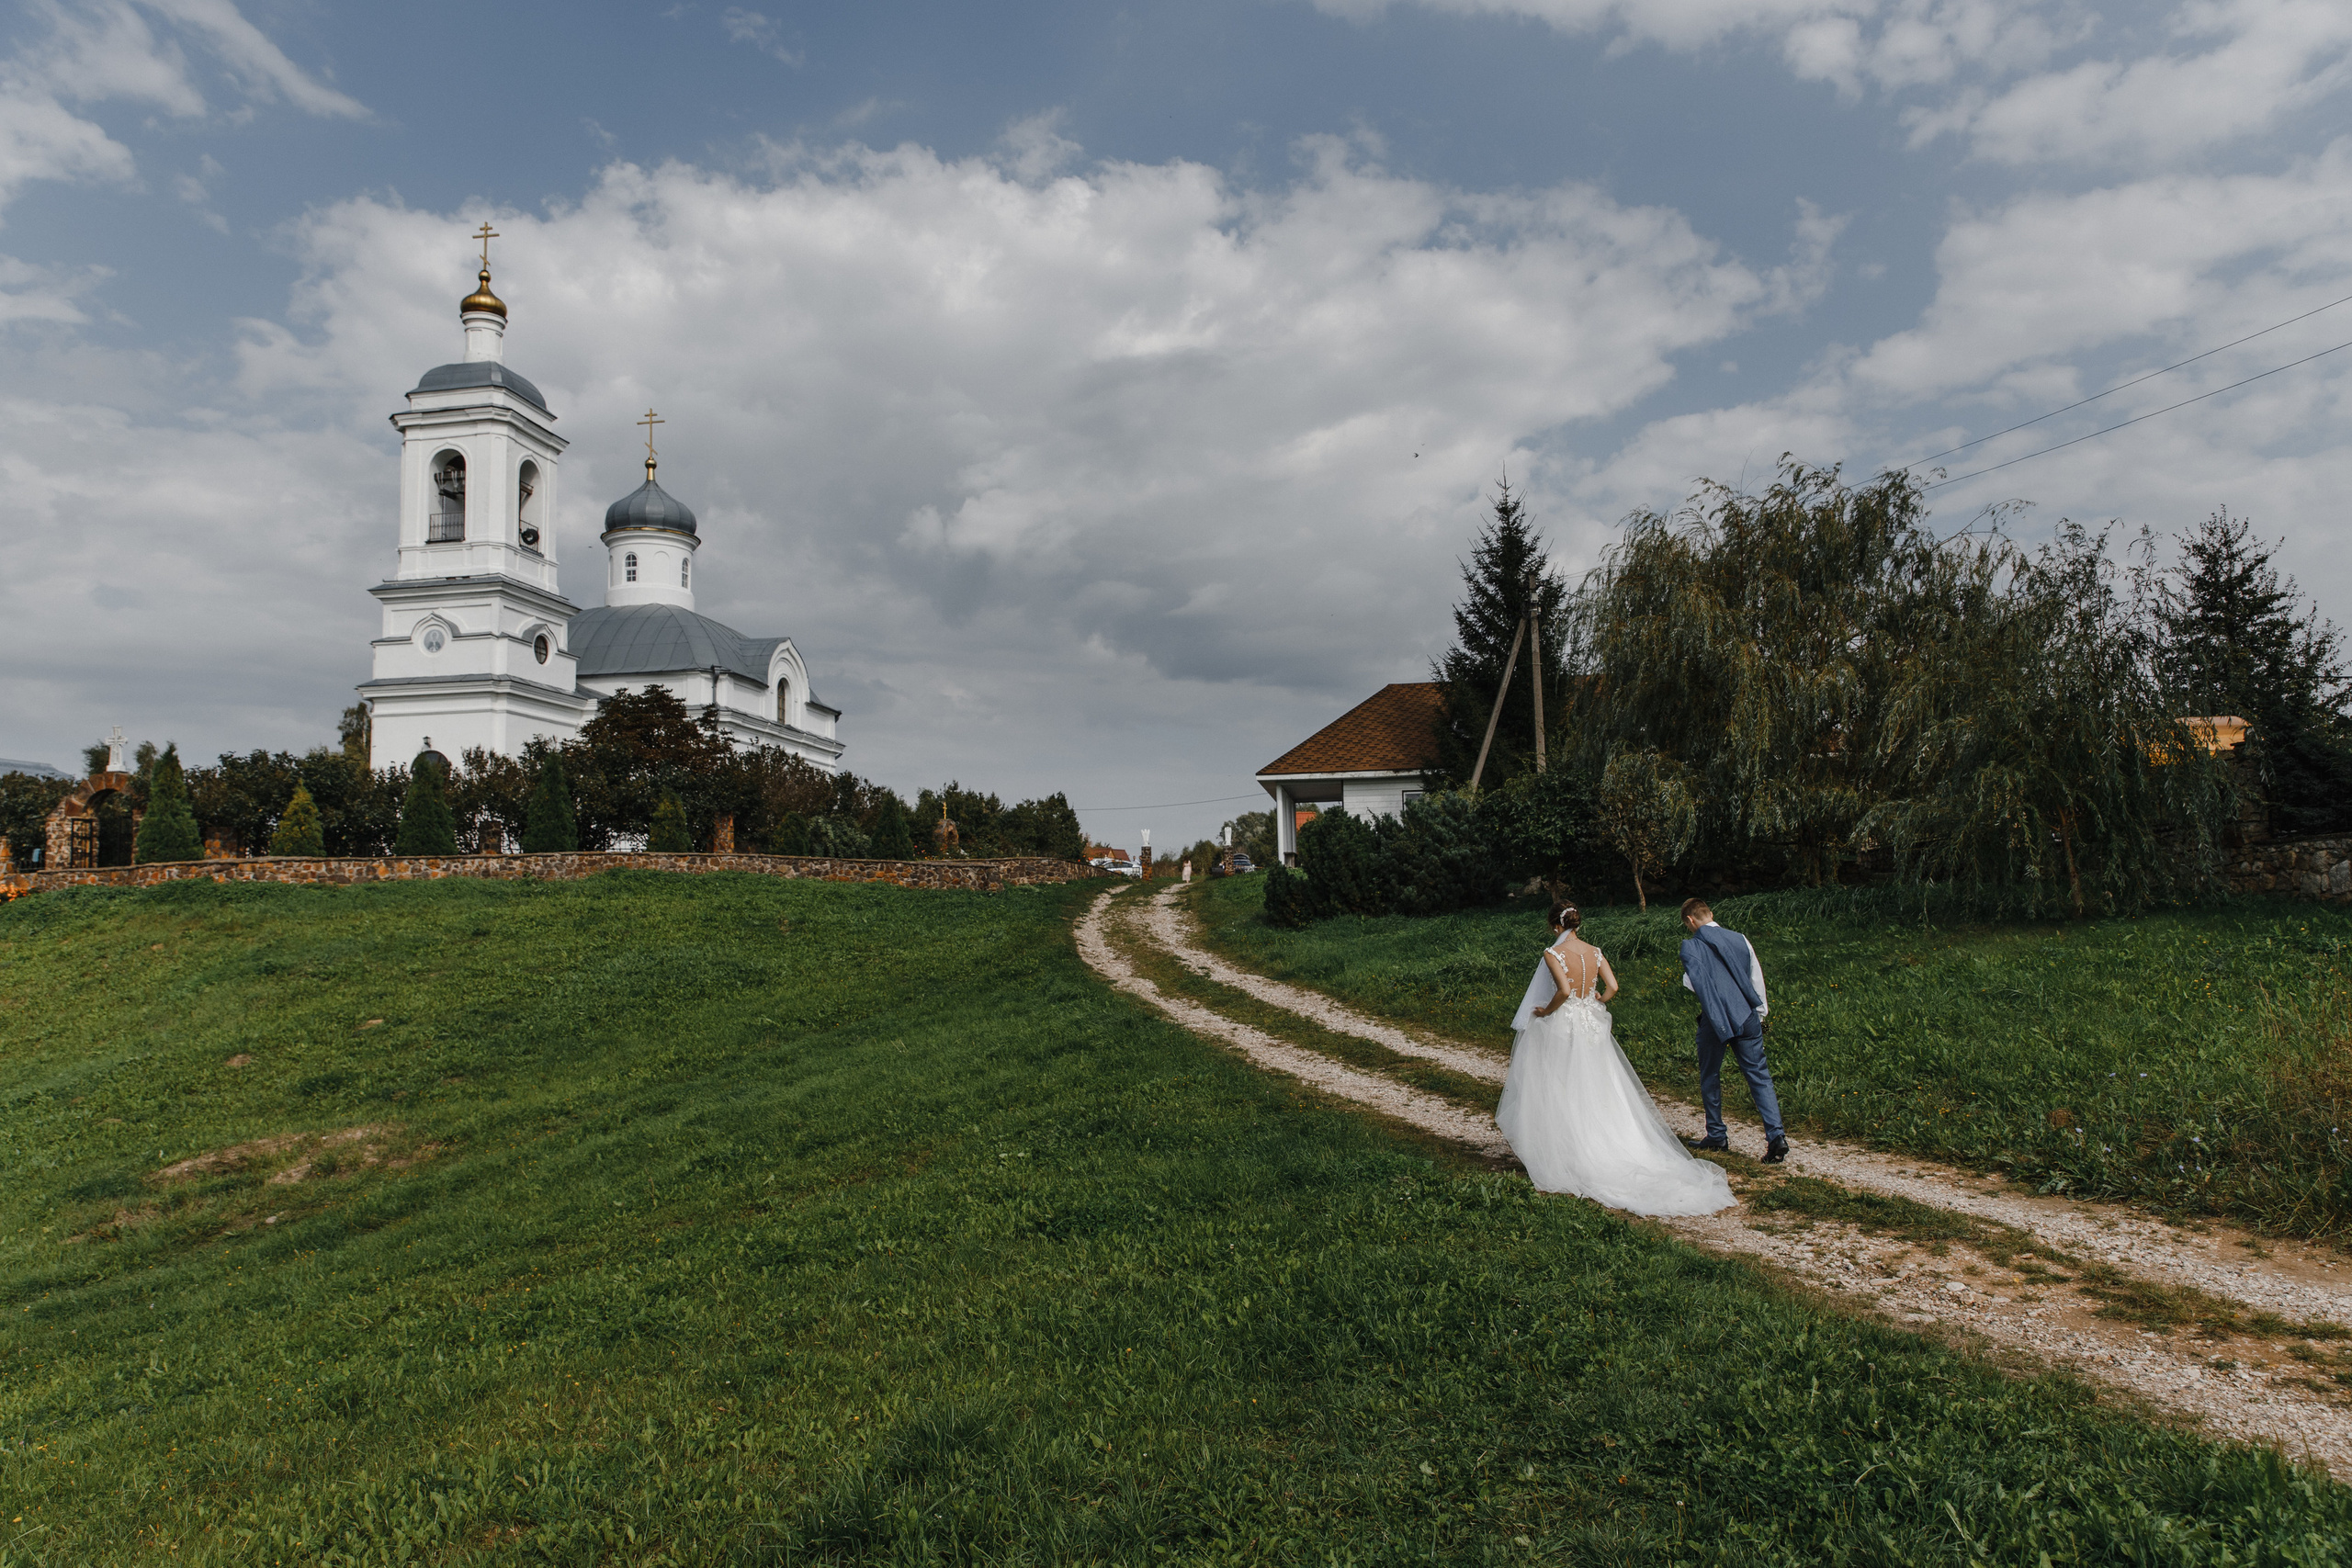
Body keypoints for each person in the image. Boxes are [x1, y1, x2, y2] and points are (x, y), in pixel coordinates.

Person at [1495, 900, 1736, 1215]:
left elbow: (1564, 991)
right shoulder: (1594, 951)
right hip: (1592, 1024)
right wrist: (1598, 999)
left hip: (1565, 1024)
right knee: (1598, 1082)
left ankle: (1569, 1148)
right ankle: (1607, 1139)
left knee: (1562, 1082)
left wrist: (1544, 1012)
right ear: (1577, 924)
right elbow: (1613, 986)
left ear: (1556, 926)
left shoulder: (1553, 953)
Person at [1678, 897, 1789, 1163]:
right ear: (1710, 913)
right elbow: (1755, 977)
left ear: (1690, 921)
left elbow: (1693, 984)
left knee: (1710, 1074)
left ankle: (1717, 1134)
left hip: (1716, 1019)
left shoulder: (1693, 947)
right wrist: (1759, 1014)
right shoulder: (1741, 939)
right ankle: (1776, 1136)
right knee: (1759, 1075)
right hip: (1748, 1015)